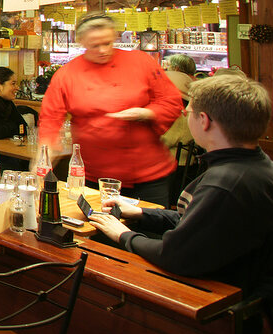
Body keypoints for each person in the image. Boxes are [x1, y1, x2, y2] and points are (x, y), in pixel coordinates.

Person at [88, 75, 273, 334]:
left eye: (189, 109)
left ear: (204, 121)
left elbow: (175, 255)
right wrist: (142, 213)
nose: (185, 114)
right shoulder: (254, 167)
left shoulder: (227, 182)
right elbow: (199, 220)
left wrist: (124, 235)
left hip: (234, 316)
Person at [39, 13, 182, 207]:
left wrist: (146, 113)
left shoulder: (141, 62)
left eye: (107, 43)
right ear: (82, 42)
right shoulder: (67, 75)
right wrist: (44, 155)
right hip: (96, 176)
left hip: (149, 174)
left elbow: (171, 100)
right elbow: (50, 118)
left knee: (151, 231)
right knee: (100, 233)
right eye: (94, 46)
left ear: (115, 37)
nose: (103, 50)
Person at [0, 67, 26, 139]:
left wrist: (7, 127)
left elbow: (24, 127)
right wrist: (14, 126)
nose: (17, 88)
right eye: (13, 84)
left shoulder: (9, 103)